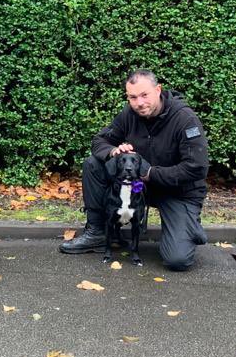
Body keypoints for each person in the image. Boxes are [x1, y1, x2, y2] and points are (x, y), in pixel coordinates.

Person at [60, 70, 209, 271]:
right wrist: (114, 151)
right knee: (93, 164)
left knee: (177, 260)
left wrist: (151, 174)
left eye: (144, 95)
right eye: (132, 97)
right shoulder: (129, 114)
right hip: (138, 187)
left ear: (158, 90)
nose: (139, 103)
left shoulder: (185, 119)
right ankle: (97, 232)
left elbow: (196, 168)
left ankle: (188, 228)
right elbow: (99, 141)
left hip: (177, 192)